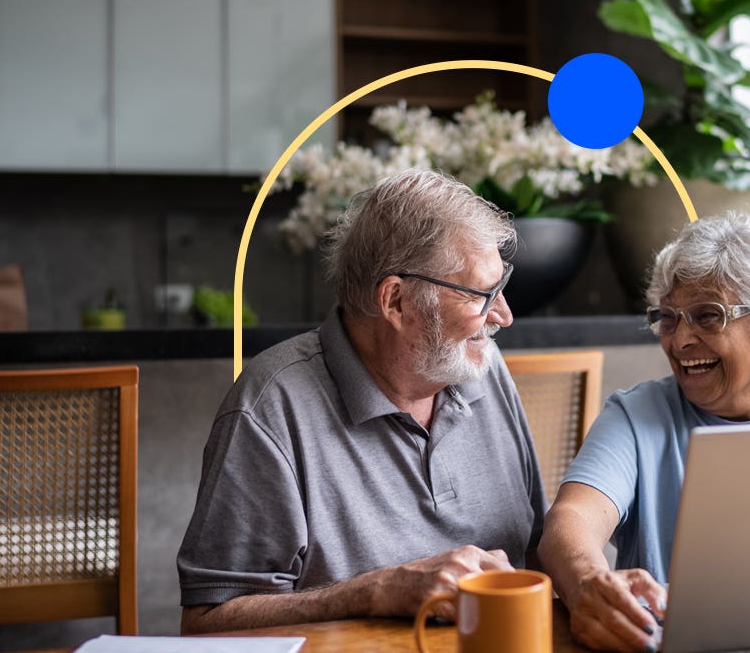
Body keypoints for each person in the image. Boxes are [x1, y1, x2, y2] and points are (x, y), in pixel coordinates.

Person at [177, 170, 546, 633]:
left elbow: (536, 550)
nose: (504, 316)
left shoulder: (485, 370)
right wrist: (374, 591)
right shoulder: (271, 407)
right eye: (482, 294)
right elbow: (206, 622)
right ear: (396, 302)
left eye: (502, 284)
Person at [539, 212, 750, 652]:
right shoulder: (637, 417)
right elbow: (570, 522)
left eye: (707, 316)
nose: (679, 340)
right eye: (668, 318)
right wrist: (588, 581)